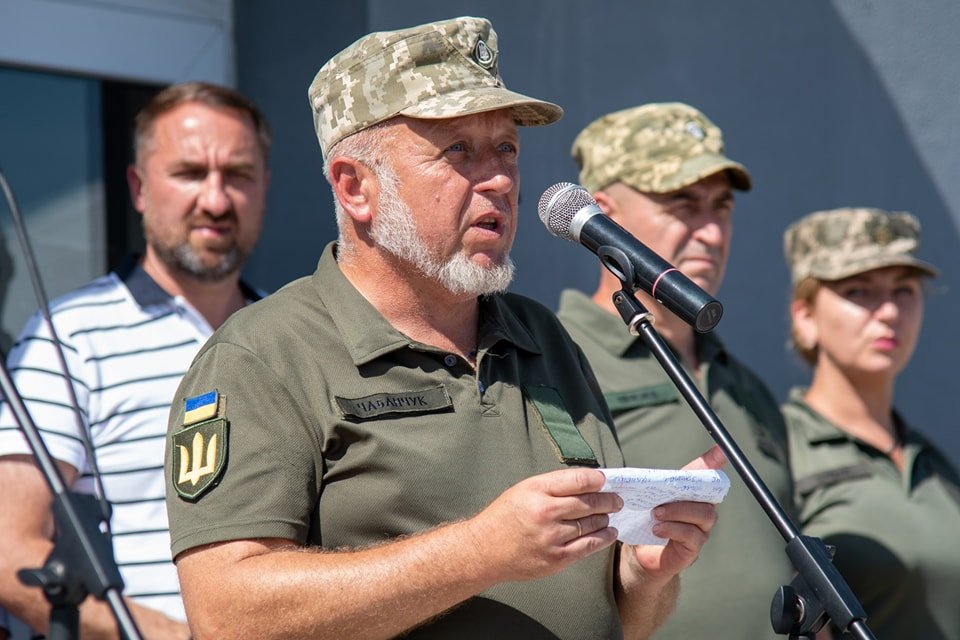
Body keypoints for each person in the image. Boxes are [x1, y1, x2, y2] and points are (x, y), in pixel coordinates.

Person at [164, 17, 724, 640]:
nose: (500, 180)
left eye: (506, 148)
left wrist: (645, 577)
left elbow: (613, 619)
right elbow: (225, 614)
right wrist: (479, 553)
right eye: (458, 150)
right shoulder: (263, 355)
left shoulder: (542, 337)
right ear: (356, 187)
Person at [0, 81, 270, 638]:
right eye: (190, 173)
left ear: (265, 184)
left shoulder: (295, 335)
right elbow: (10, 553)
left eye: (238, 174)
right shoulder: (67, 340)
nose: (216, 201)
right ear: (139, 188)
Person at [556, 103, 795, 639]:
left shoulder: (745, 386)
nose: (711, 232)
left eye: (721, 207)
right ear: (602, 218)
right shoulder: (553, 361)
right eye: (683, 204)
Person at [782, 207, 960, 639]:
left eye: (904, 290)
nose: (889, 311)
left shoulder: (931, 464)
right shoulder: (780, 448)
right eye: (858, 290)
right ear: (806, 317)